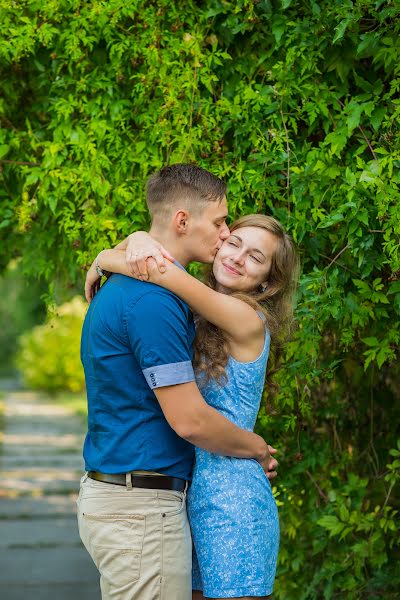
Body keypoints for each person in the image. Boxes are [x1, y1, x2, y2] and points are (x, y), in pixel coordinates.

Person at [78, 164, 278, 600]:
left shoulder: (240, 317)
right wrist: (120, 251)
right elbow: (189, 420)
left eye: (255, 257)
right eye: (226, 228)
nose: (228, 241)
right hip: (177, 499)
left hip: (226, 499)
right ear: (184, 221)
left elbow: (166, 272)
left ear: (268, 280)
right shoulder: (170, 307)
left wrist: (109, 256)